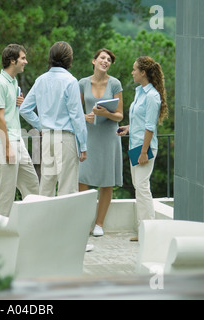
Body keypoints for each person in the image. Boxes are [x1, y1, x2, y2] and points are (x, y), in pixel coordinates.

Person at [20, 41, 87, 197]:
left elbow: (24, 109)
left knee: (46, 186)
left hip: (48, 138)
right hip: (65, 138)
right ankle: (65, 222)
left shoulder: (41, 80)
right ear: (69, 59)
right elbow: (77, 116)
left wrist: (41, 126)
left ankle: (44, 221)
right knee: (67, 187)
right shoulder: (71, 81)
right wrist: (83, 145)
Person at [117, 56, 168, 241]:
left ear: (143, 72)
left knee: (143, 187)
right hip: (136, 146)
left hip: (144, 148)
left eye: (134, 69)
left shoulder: (153, 96)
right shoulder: (140, 92)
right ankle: (144, 230)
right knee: (139, 187)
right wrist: (128, 128)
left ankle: (149, 232)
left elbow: (150, 127)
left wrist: (145, 151)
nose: (132, 72)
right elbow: (140, 121)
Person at [0, 44, 39, 217]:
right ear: (12, 60)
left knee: (32, 186)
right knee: (6, 192)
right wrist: (7, 147)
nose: (26, 61)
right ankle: (0, 233)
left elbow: (8, 112)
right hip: (5, 143)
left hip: (17, 140)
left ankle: (32, 227)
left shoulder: (13, 82)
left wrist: (17, 103)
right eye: (23, 58)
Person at [78, 48, 124, 237]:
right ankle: (83, 222)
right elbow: (75, 111)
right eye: (102, 58)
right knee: (82, 179)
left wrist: (106, 113)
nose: (106, 61)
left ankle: (99, 224)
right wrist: (84, 117)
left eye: (109, 60)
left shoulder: (115, 84)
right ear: (94, 60)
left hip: (108, 137)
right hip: (88, 136)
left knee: (106, 181)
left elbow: (120, 115)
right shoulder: (82, 83)